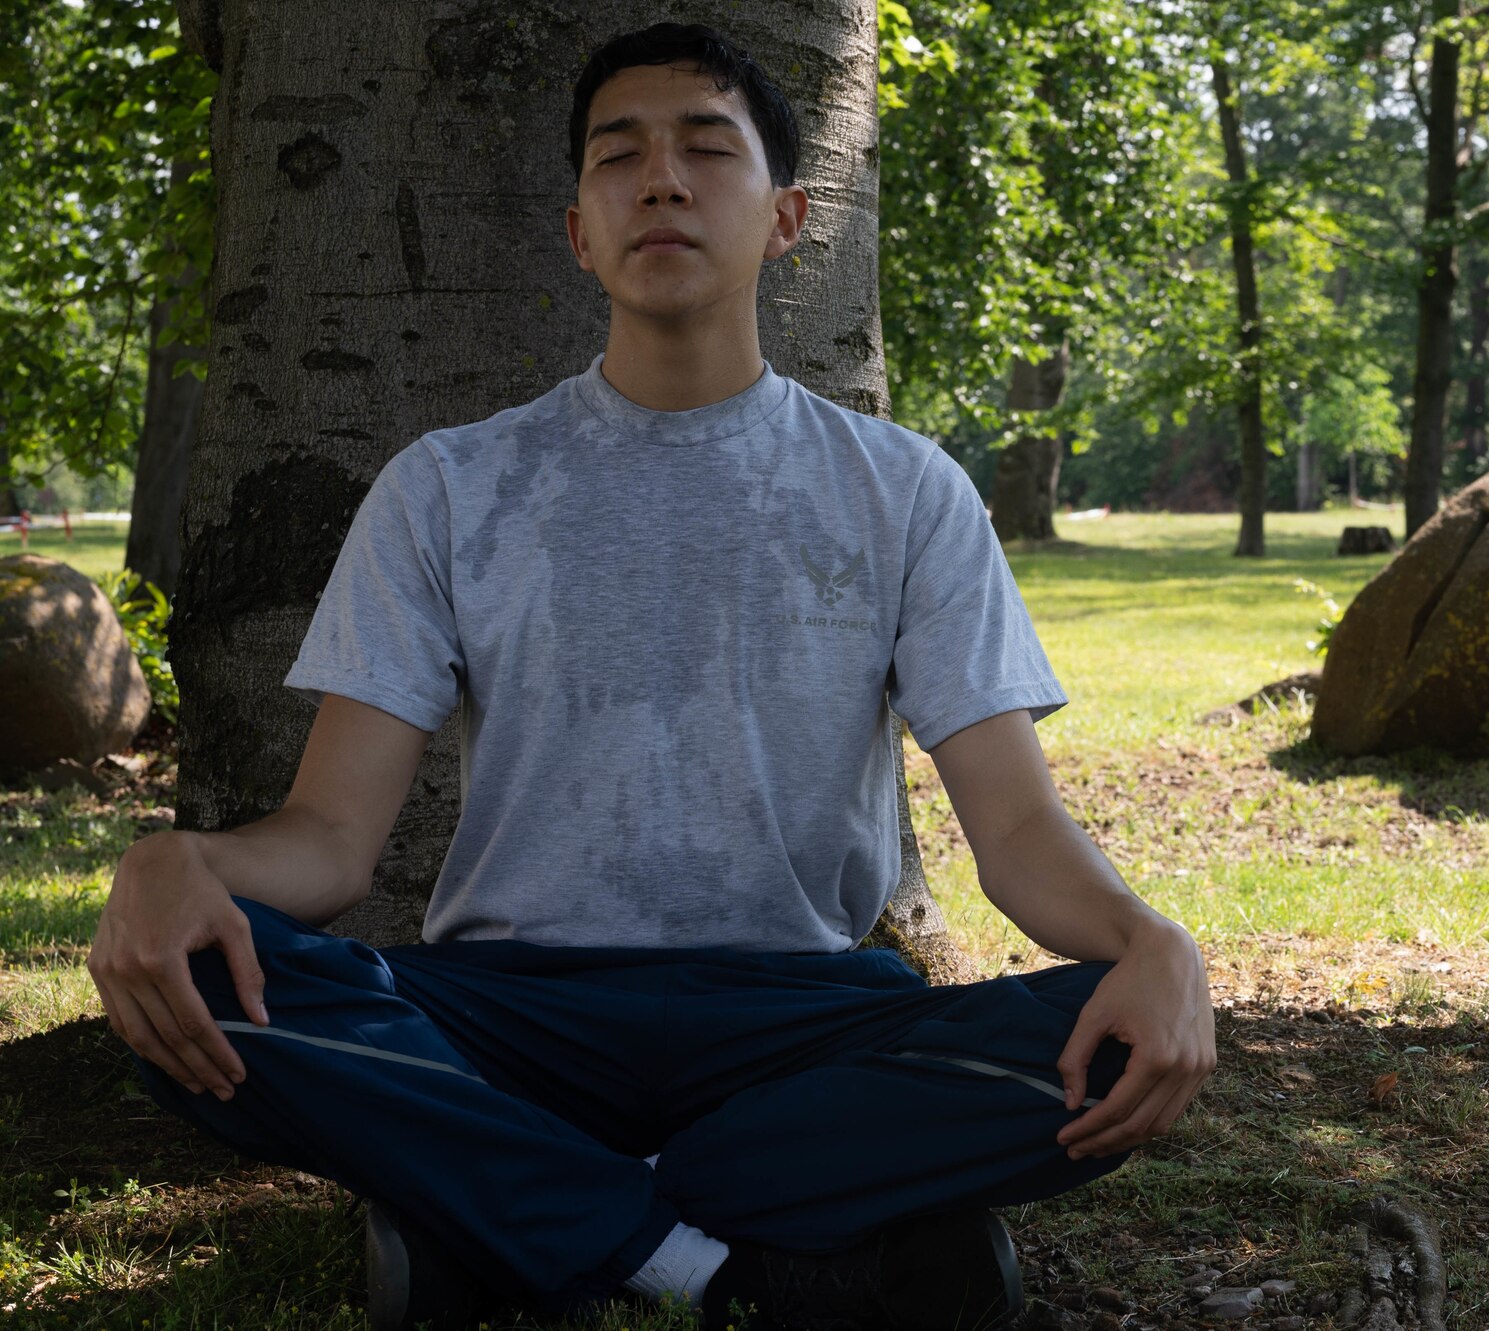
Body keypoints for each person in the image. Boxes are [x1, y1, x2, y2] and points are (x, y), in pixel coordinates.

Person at [86, 20, 1215, 1331]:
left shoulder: (905, 492)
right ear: (579, 230)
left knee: (1125, 1035)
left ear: (789, 217)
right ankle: (741, 1250)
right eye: (620, 157)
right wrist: (183, 866)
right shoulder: (450, 487)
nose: (663, 181)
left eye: (706, 150)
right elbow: (333, 844)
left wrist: (1154, 943)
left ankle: (524, 1218)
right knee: (201, 993)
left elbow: (1015, 835)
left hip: (803, 1013)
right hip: (515, 1020)